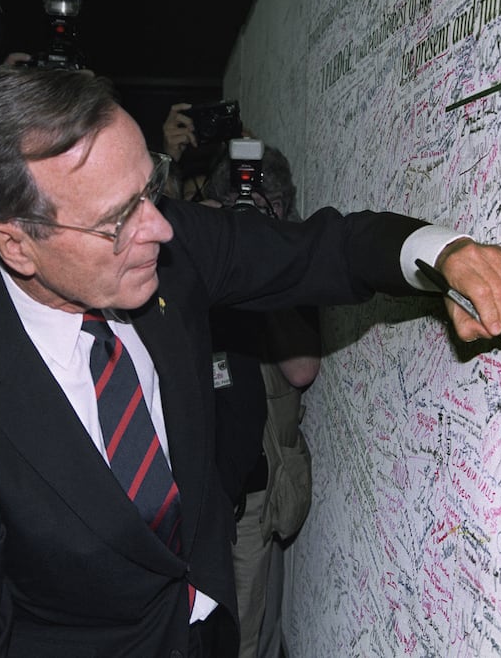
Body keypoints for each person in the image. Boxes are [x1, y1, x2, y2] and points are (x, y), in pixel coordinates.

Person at [0, 66, 501, 657]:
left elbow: (323, 251)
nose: (157, 228)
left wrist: (443, 253)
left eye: (148, 188)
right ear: (14, 243)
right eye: (116, 220)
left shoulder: (166, 246)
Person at [199, 141, 321, 658]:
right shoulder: (197, 258)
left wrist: (261, 270)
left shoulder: (288, 269)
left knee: (243, 637)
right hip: (194, 491)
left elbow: (301, 369)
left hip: (251, 497)